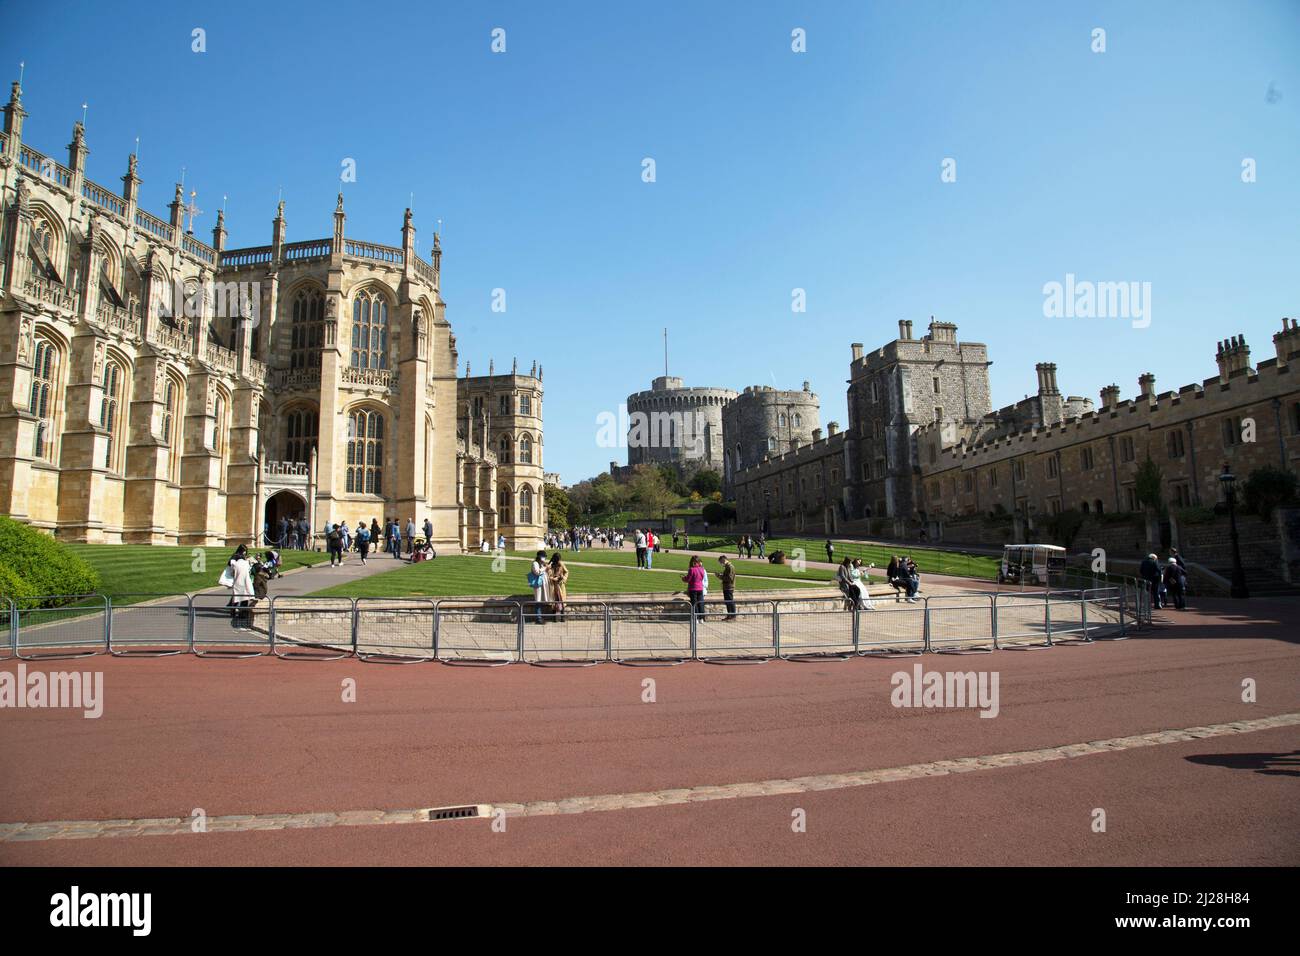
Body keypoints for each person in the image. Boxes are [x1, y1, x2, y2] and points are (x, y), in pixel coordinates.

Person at [225, 545, 255, 629]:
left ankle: (237, 611)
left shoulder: (240, 557)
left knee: (241, 596)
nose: (245, 552)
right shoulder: (236, 557)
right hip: (239, 577)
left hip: (242, 578)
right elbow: (231, 565)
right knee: (240, 596)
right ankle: (237, 611)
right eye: (244, 551)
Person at [530, 550, 552, 624]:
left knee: (541, 600)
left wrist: (548, 568)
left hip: (543, 585)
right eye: (543, 557)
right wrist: (545, 568)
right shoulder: (535, 563)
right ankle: (538, 618)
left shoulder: (542, 564)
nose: (544, 558)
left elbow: (546, 573)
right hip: (538, 585)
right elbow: (537, 572)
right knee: (538, 601)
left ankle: (540, 616)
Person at [547, 553, 570, 622]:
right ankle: (554, 618)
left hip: (560, 585)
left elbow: (566, 572)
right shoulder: (551, 566)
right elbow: (549, 575)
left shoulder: (561, 564)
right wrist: (552, 578)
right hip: (553, 585)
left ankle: (562, 617)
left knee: (561, 600)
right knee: (554, 601)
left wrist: (563, 578)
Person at [718, 556, 737, 620]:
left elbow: (730, 578)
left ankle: (733, 616)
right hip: (726, 587)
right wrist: (720, 576)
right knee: (727, 602)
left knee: (730, 601)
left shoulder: (730, 567)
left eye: (721, 562)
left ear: (724, 560)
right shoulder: (727, 567)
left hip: (729, 587)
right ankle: (729, 615)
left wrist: (720, 577)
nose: (721, 563)